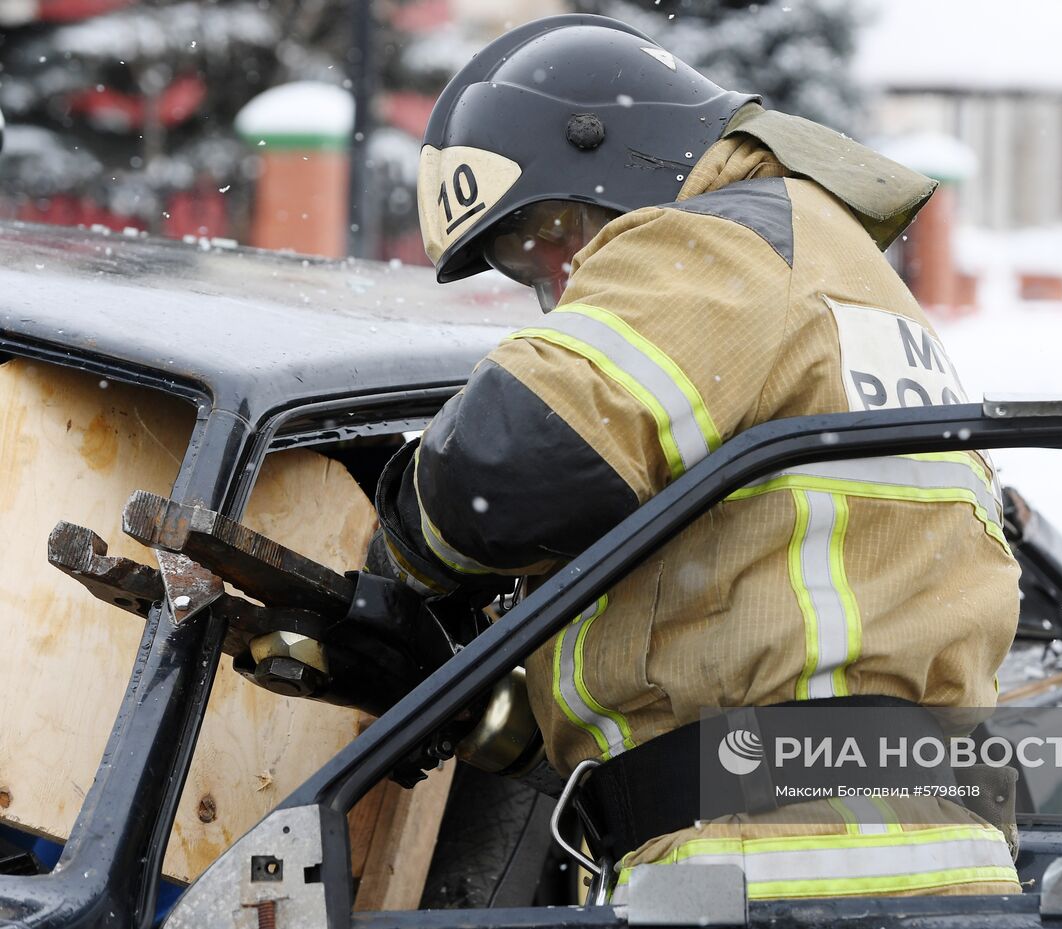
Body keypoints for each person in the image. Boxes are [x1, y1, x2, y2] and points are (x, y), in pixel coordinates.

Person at [369, 13, 1023, 900]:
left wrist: (399, 549)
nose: (560, 279)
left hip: (782, 859)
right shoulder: (837, 279)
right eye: (526, 268)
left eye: (551, 231)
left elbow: (505, 463)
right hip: (902, 850)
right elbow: (726, 592)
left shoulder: (717, 241)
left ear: (620, 155)